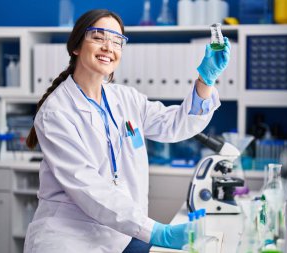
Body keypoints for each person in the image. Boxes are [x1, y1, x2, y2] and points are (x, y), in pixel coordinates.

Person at [24, 9, 230, 253]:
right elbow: (88, 187)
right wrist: (156, 231)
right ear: (76, 47)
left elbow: (175, 125)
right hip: (70, 240)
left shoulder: (126, 99)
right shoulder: (56, 112)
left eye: (117, 41)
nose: (108, 47)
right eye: (98, 37)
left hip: (120, 236)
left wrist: (205, 80)